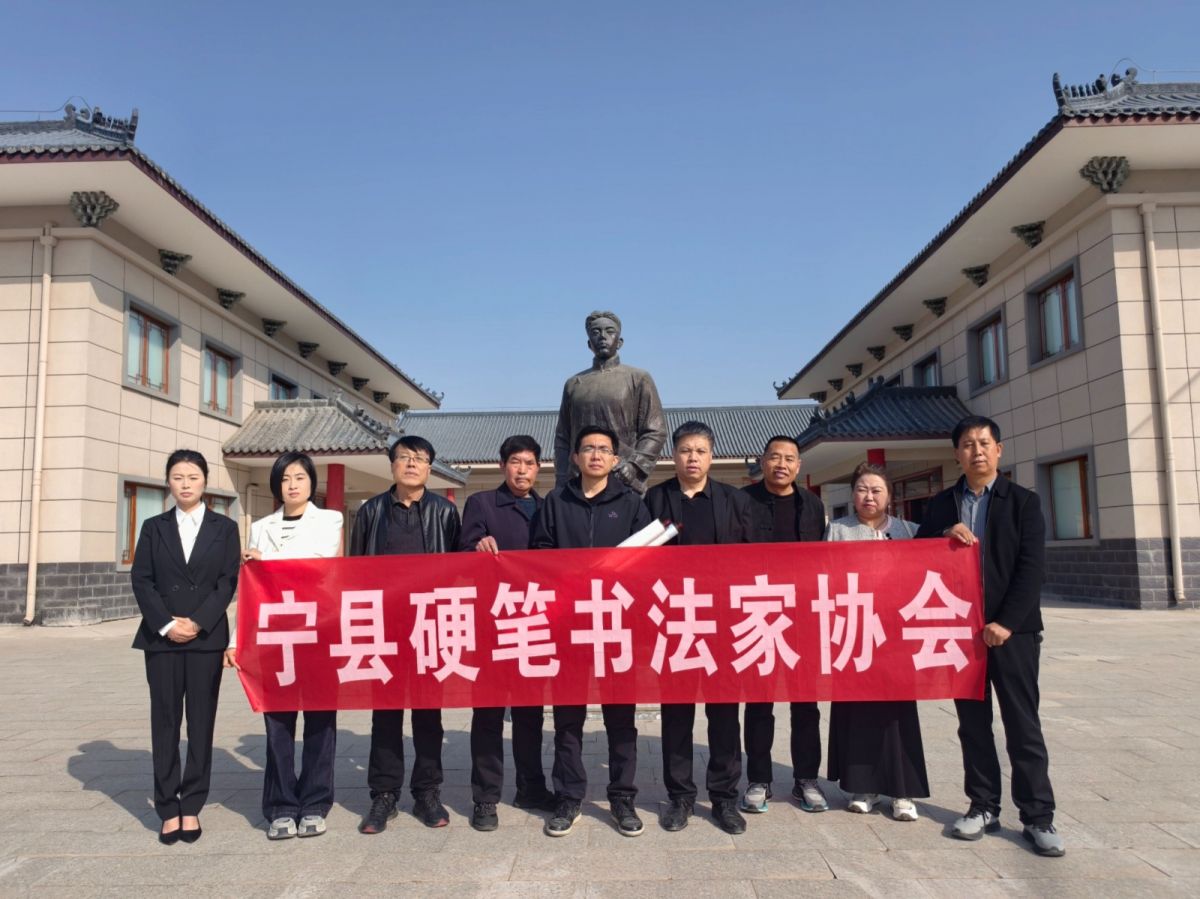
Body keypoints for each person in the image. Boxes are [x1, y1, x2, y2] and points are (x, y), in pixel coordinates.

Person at [916, 415, 1063, 857]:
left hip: (1013, 634)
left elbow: (1031, 568)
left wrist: (1007, 622)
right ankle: (983, 806)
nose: (976, 451)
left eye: (984, 443)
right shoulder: (942, 504)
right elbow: (917, 554)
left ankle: (1038, 816)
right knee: (973, 725)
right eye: (968, 444)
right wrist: (943, 534)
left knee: (1023, 724)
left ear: (998, 450)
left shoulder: (1023, 502)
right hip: (960, 633)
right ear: (956, 454)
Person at [532, 425, 653, 837]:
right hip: (569, 626)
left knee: (621, 719)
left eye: (604, 449)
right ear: (576, 457)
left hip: (617, 624)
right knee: (568, 718)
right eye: (588, 448)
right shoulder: (556, 501)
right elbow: (541, 552)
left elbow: (647, 562)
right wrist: (571, 573)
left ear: (615, 459)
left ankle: (622, 798)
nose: (596, 455)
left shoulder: (632, 503)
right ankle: (568, 797)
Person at [224, 452, 344, 840]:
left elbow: (318, 565)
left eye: (299, 477)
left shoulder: (330, 520)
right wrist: (236, 640)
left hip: (319, 630)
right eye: (285, 478)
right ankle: (280, 806)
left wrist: (268, 560)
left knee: (320, 723)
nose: (292, 485)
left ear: (311, 483)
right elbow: (251, 589)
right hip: (275, 635)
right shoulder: (261, 528)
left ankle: (315, 803)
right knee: (277, 723)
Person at [645, 421, 754, 835]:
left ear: (712, 456)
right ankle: (681, 797)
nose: (693, 458)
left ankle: (724, 798)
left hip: (722, 624)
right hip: (674, 623)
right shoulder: (655, 499)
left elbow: (752, 559)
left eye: (700, 451)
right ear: (673, 455)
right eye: (685, 450)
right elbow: (641, 561)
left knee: (724, 714)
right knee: (677, 714)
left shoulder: (734, 500)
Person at [352, 436, 462, 834]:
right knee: (385, 714)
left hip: (430, 625)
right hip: (384, 626)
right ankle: (384, 794)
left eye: (420, 458)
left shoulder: (445, 512)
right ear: (392, 465)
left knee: (429, 714)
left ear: (430, 467)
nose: (412, 464)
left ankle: (427, 792)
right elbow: (355, 570)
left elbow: (459, 571)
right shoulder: (370, 512)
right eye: (404, 457)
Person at [130, 449, 240, 845]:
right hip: (161, 639)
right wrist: (166, 624)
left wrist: (198, 622)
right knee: (164, 721)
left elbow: (227, 581)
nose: (185, 484)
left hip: (206, 638)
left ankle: (191, 804)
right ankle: (166, 807)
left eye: (193, 477)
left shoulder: (225, 528)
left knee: (200, 721)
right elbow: (142, 579)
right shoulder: (153, 527)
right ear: (168, 482)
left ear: (205, 481)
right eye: (178, 477)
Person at [459, 435, 554, 831]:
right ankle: (485, 797)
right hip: (491, 624)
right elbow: (462, 554)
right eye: (515, 462)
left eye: (529, 463)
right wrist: (477, 546)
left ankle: (531, 787)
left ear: (538, 469)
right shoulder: (482, 504)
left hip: (534, 622)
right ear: (502, 466)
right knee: (488, 714)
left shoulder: (549, 507)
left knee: (531, 714)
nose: (522, 470)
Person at [824, 462, 927, 822]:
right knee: (859, 712)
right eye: (862, 489)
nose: (869, 496)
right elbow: (824, 577)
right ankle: (862, 787)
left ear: (889, 496)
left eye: (876, 490)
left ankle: (902, 791)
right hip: (853, 633)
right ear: (853, 494)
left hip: (897, 637)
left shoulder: (909, 531)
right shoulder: (837, 530)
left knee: (898, 714)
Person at [740, 435, 829, 815]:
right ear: (762, 462)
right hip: (757, 614)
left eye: (789, 458)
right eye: (774, 457)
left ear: (798, 465)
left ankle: (806, 779)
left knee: (806, 705)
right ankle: (759, 780)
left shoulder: (812, 504)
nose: (782, 464)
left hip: (802, 617)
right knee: (759, 704)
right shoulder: (742, 501)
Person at [553, 310, 666, 495]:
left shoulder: (638, 378)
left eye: (609, 331)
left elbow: (655, 430)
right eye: (596, 332)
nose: (602, 336)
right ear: (589, 343)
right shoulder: (573, 384)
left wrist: (634, 466)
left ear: (620, 342)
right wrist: (561, 479)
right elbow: (562, 437)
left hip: (623, 479)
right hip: (579, 482)